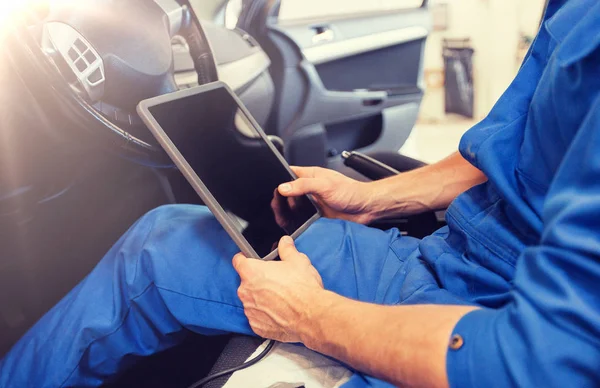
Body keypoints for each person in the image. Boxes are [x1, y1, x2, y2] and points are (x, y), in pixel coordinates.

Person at [2, 0, 600, 386]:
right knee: (164, 241)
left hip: (489, 324)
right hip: (448, 259)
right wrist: (379, 199)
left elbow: (539, 363)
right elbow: (511, 153)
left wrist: (311, 317)